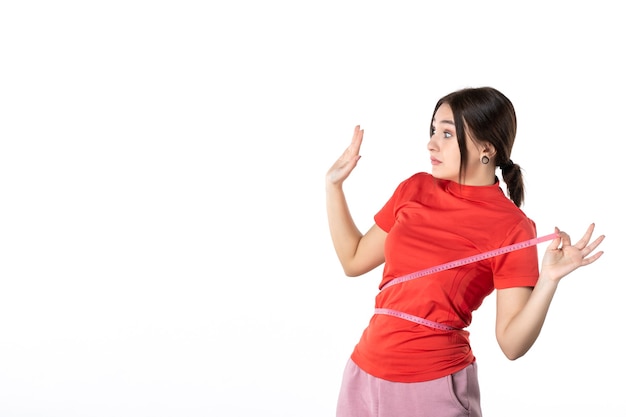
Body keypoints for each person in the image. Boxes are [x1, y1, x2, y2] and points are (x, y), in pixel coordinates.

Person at [325, 86, 605, 417]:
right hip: (364, 373)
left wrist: (548, 281)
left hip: (433, 386)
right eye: (433, 131)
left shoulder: (512, 227)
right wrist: (333, 186)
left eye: (447, 133)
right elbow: (354, 259)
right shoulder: (414, 188)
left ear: (487, 148)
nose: (431, 143)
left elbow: (511, 344)